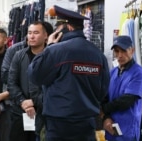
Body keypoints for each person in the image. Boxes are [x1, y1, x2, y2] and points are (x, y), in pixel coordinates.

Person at [27, 5, 110, 141]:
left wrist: (49, 46)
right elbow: (103, 90)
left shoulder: (56, 51)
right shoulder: (98, 55)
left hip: (59, 124)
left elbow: (35, 75)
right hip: (87, 122)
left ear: (69, 28)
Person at [8, 21, 53, 141]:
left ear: (45, 36)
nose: (32, 36)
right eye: (29, 33)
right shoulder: (19, 55)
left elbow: (55, 85)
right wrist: (23, 102)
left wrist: (34, 101)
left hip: (44, 112)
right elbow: (11, 83)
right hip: (20, 111)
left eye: (36, 33)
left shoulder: (52, 57)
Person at [101, 36, 142, 141]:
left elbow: (127, 100)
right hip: (111, 130)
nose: (120, 55)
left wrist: (103, 110)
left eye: (124, 51)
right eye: (117, 51)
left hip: (128, 132)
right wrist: (106, 117)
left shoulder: (139, 73)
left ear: (132, 50)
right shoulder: (112, 73)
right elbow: (104, 98)